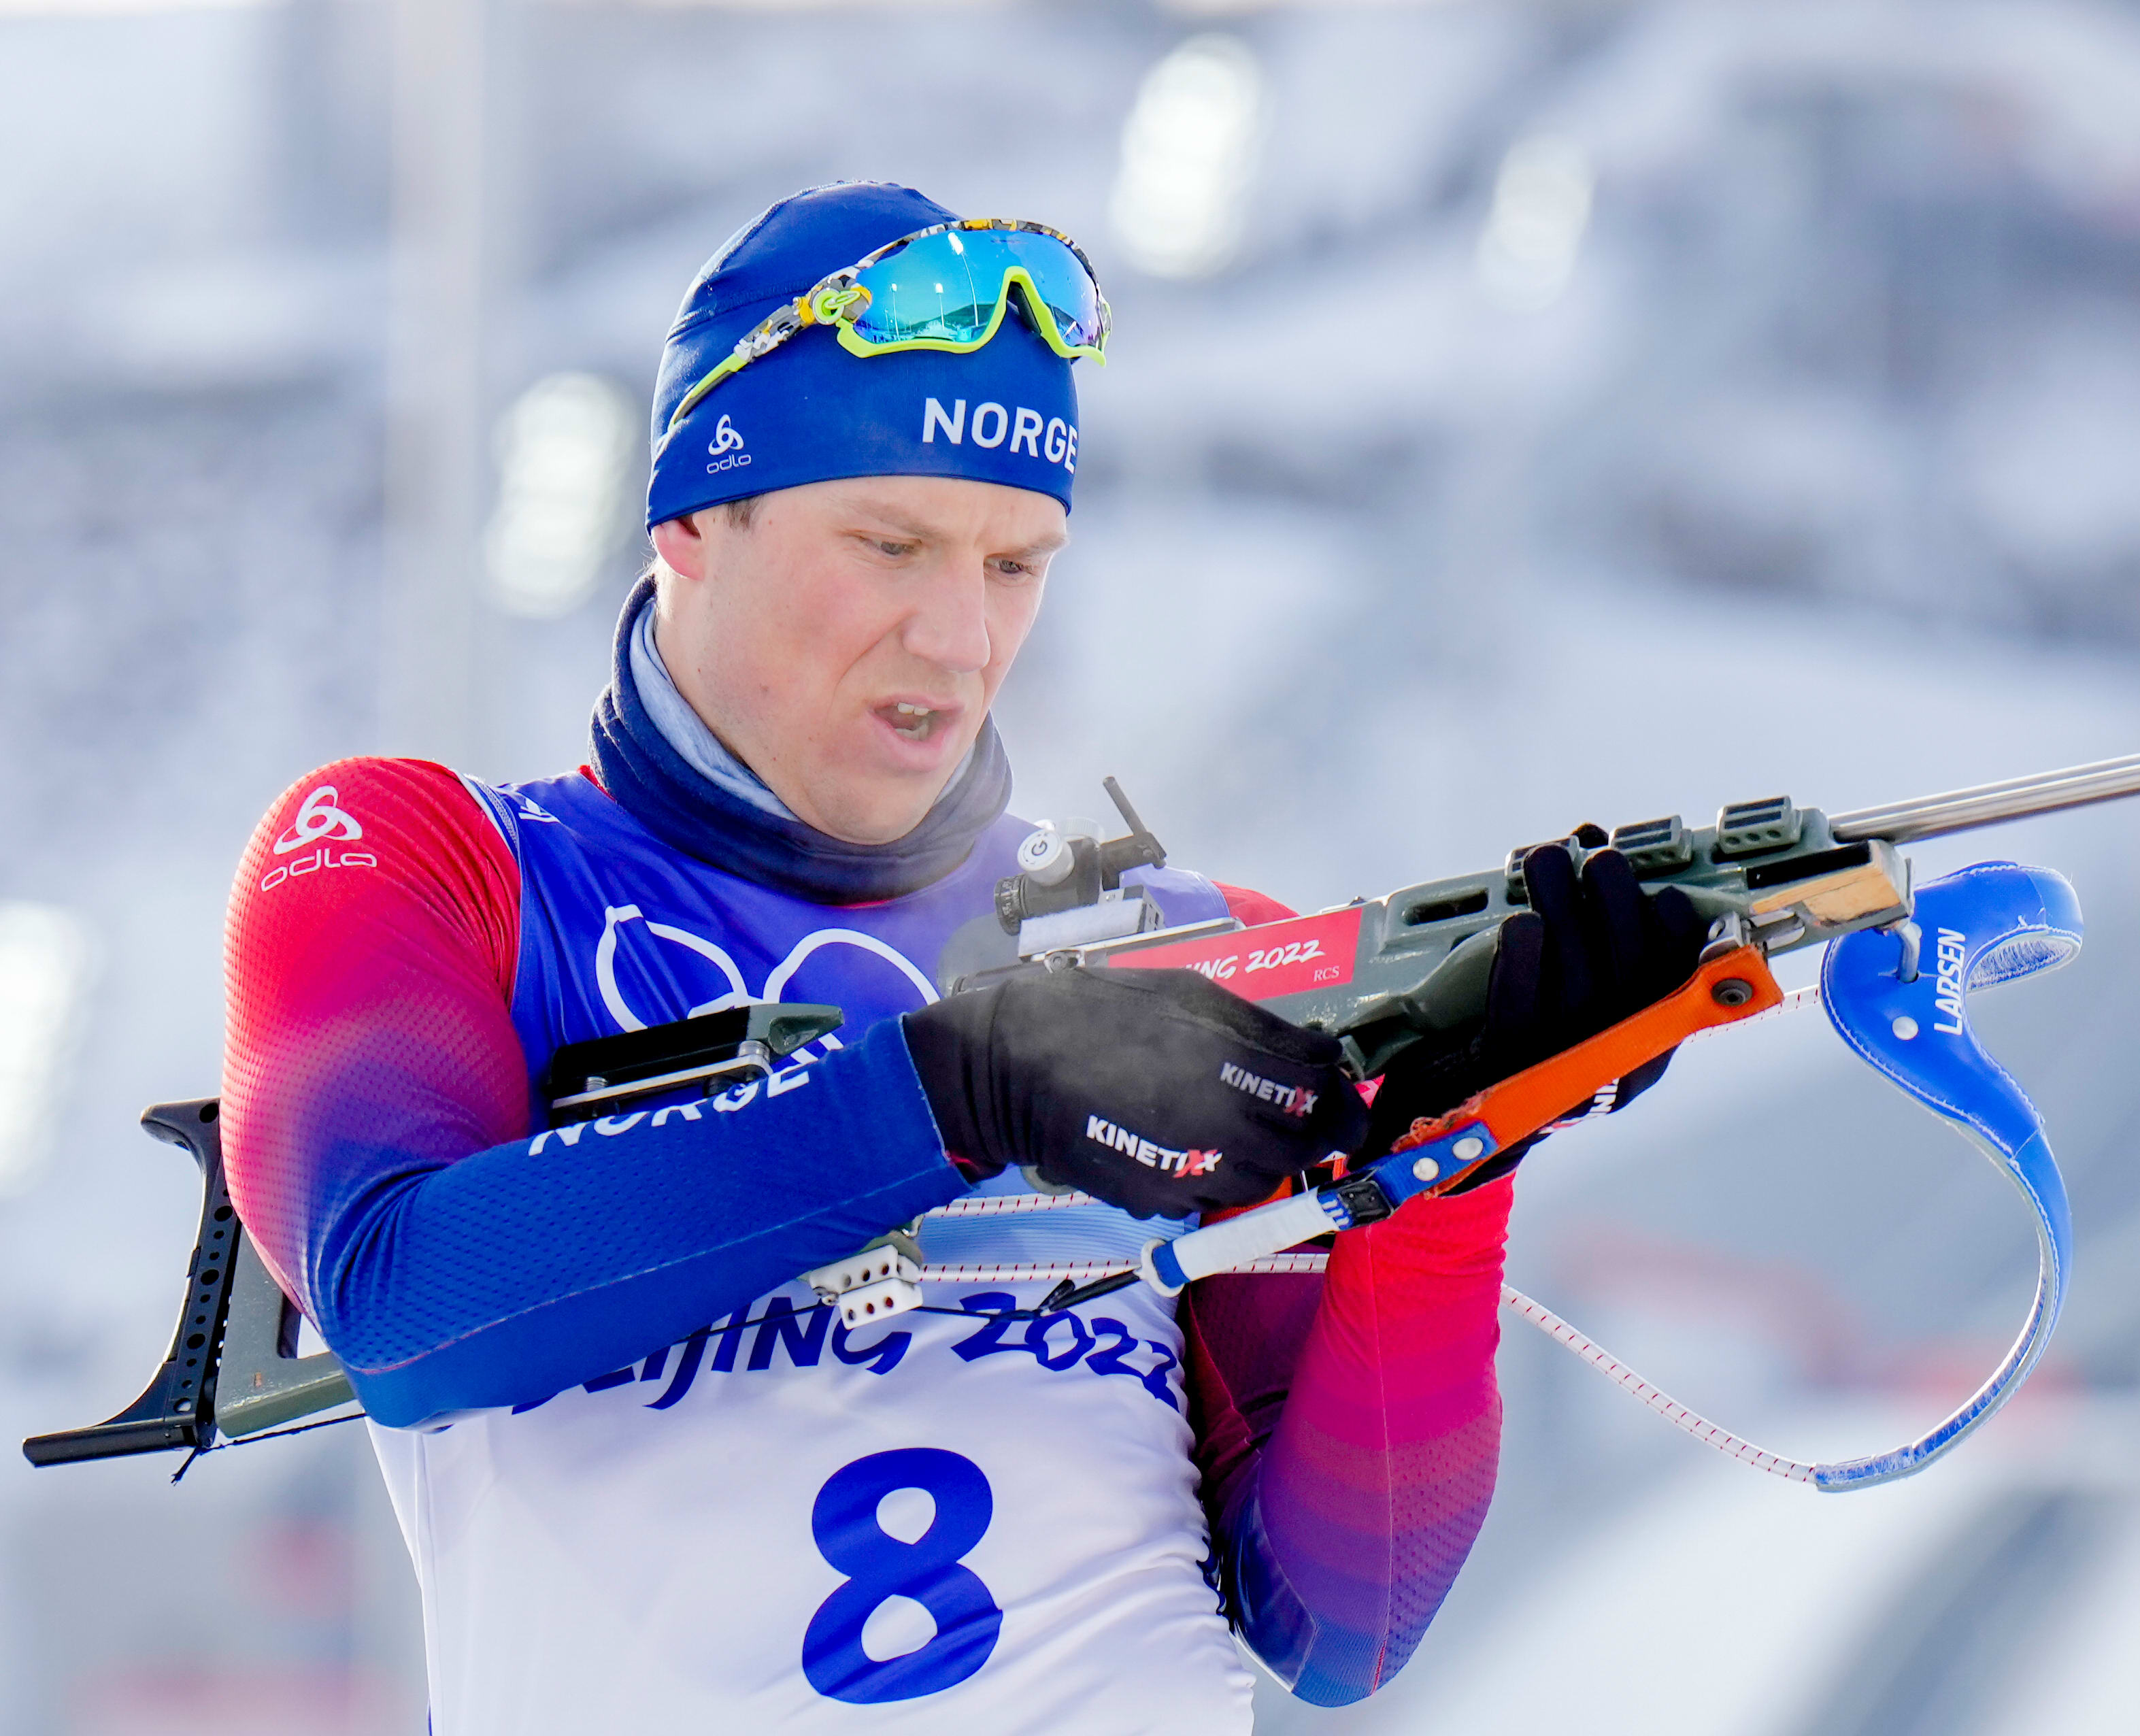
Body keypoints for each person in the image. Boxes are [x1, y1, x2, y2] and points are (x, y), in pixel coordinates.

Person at [220, 182, 1703, 1733]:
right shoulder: (431, 863)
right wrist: (954, 1091)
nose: (958, 637)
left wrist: (1446, 1169)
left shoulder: (1194, 946)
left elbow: (1341, 1625)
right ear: (689, 525)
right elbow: (399, 1300)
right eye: (892, 543)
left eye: (1015, 564)